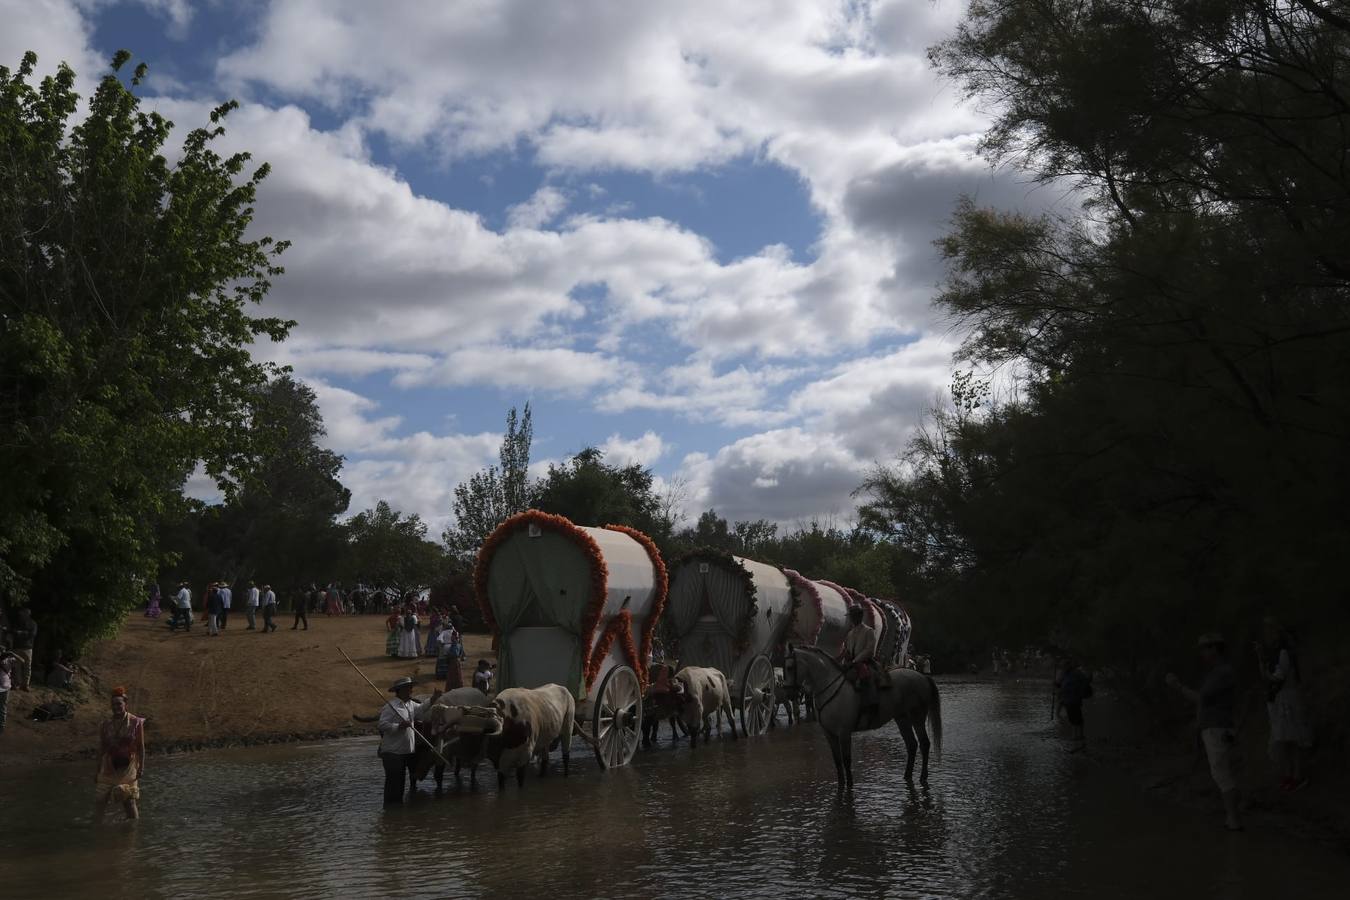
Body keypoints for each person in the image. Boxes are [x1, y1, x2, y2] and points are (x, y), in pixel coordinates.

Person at [1167, 633, 1243, 831]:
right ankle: (1231, 817)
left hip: (1217, 728)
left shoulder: (1221, 672)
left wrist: (1177, 686)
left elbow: (1200, 698)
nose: (1201, 652)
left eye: (1205, 648)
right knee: (1221, 772)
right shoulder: (1217, 672)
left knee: (1221, 774)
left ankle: (1233, 819)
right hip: (1216, 727)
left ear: (1215, 649)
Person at [1256, 617, 1312, 791]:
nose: (1268, 636)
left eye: (1271, 632)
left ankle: (1297, 775)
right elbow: (1266, 676)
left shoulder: (1283, 653)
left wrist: (1266, 672)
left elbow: (1278, 677)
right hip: (1279, 700)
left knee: (1292, 739)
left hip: (1287, 700)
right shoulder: (1273, 654)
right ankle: (1289, 775)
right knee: (1284, 740)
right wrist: (1261, 658)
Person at [95, 686, 146, 822]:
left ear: (125, 704)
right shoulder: (105, 724)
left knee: (129, 800)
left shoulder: (135, 722)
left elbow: (141, 746)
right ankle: (98, 827)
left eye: (119, 704)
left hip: (128, 767)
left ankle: (132, 828)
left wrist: (141, 767)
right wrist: (97, 770)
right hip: (109, 767)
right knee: (100, 800)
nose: (116, 707)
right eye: (113, 704)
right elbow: (102, 748)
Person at [378, 676, 427, 804]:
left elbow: (422, 710)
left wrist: (433, 700)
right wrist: (399, 726)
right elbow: (382, 725)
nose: (411, 690)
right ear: (400, 690)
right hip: (393, 753)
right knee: (394, 786)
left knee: (400, 786)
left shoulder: (411, 705)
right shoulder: (391, 706)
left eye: (411, 688)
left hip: (405, 752)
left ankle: (396, 814)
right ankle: (390, 810)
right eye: (409, 688)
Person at [839, 604, 880, 726]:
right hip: (852, 663)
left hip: (865, 662)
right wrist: (844, 659)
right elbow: (847, 650)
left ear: (860, 616)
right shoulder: (850, 634)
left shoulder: (869, 631)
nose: (853, 618)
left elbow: (869, 650)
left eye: (855, 615)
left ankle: (871, 707)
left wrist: (856, 660)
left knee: (866, 679)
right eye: (852, 616)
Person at [1058, 659, 1093, 750]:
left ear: (1068, 665)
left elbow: (1086, 681)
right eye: (1062, 666)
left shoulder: (1077, 673)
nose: (1063, 668)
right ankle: (1076, 736)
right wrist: (1057, 685)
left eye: (1064, 666)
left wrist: (1081, 691)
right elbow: (1060, 684)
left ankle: (1079, 736)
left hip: (1075, 699)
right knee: (1072, 718)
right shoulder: (1064, 674)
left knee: (1077, 718)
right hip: (1067, 699)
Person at [11, 608, 37, 691]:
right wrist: (22, 633)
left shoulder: (33, 623)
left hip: (28, 648)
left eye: (23, 613)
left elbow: (32, 634)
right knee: (16, 666)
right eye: (21, 613)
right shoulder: (17, 622)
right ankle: (17, 683)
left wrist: (20, 633)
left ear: (28, 614)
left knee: (27, 667)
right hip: (17, 646)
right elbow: (13, 631)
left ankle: (25, 685)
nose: (21, 614)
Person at [437, 624, 464, 689]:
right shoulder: (455, 633)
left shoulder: (443, 632)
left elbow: (439, 639)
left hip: (446, 648)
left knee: (442, 660)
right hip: (456, 655)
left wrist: (442, 644)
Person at [0, 648, 16, 735]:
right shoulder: (6, 659)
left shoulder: (10, 659)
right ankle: (1, 727)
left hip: (5, 687)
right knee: (3, 707)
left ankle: (1, 727)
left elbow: (23, 661)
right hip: (5, 687)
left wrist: (12, 654)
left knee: (2, 707)